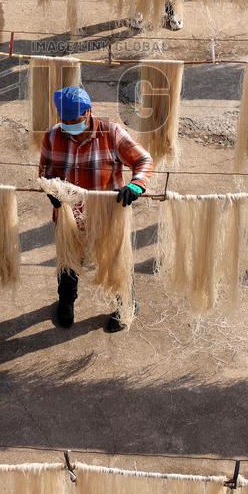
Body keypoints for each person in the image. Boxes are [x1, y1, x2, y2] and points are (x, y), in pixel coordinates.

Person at [39, 85, 153, 333]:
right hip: (69, 216)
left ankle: (127, 305)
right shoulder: (52, 136)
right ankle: (66, 303)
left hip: (108, 216)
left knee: (115, 261)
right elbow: (45, 172)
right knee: (68, 262)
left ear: (89, 112)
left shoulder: (111, 133)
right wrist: (52, 192)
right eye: (65, 121)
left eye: (75, 120)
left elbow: (143, 160)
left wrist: (136, 185)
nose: (70, 126)